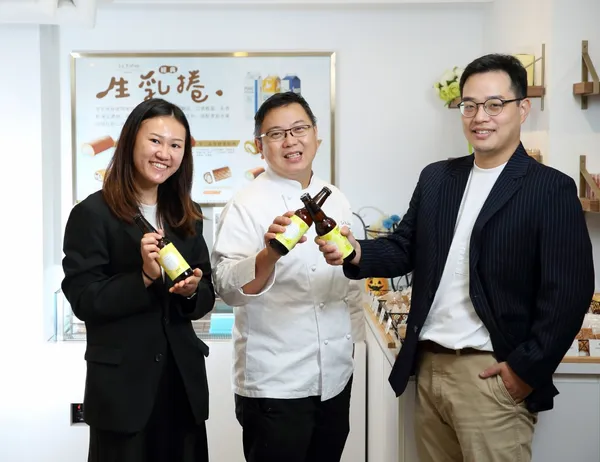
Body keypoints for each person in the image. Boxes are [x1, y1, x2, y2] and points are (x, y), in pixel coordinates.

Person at [316, 54, 595, 462]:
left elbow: (568, 291)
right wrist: (356, 251)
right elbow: (405, 246)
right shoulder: (438, 178)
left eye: (494, 104)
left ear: (522, 109)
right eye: (469, 105)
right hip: (429, 367)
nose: (480, 117)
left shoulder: (549, 188)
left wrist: (523, 370)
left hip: (491, 374)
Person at [211, 91, 364, 462]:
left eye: (299, 129)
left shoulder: (335, 198)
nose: (291, 141)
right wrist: (270, 254)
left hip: (335, 376)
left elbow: (349, 285)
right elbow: (226, 287)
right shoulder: (245, 204)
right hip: (275, 384)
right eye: (276, 134)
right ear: (259, 146)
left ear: (316, 134)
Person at [61, 98, 215, 462]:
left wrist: (192, 291)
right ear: (131, 141)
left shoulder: (187, 215)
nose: (165, 153)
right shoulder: (92, 213)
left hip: (182, 385)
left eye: (176, 145)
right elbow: (84, 299)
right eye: (155, 141)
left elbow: (206, 292)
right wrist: (144, 277)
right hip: (122, 392)